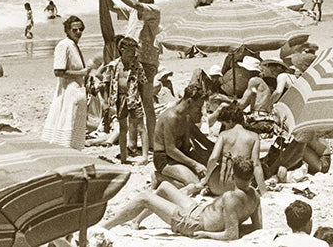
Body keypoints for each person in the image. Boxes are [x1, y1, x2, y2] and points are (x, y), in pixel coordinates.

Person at [101, 154, 261, 240]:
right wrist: (232, 224)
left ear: (232, 175)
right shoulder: (255, 195)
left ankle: (104, 227)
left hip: (193, 223)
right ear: (251, 177)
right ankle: (136, 221)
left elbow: (230, 235)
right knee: (164, 187)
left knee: (145, 197)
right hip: (198, 212)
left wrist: (206, 234)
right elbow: (257, 227)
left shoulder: (230, 198)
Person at [101, 0, 163, 145]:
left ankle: (152, 142)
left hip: (147, 62)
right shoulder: (134, 11)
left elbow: (135, 4)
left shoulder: (153, 10)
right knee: (130, 102)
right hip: (131, 62)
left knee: (147, 104)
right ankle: (133, 142)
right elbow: (112, 7)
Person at [42, 15, 89, 149]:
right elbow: (58, 72)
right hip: (68, 91)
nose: (78, 32)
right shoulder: (64, 45)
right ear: (67, 30)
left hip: (76, 90)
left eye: (81, 29)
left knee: (75, 123)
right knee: (68, 122)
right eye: (75, 30)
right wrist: (81, 73)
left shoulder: (73, 45)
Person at [153, 83, 209, 187]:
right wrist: (195, 164)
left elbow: (203, 140)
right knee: (193, 184)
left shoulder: (186, 117)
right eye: (198, 107)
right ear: (189, 102)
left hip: (181, 154)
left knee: (205, 177)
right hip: (165, 158)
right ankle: (159, 176)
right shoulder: (171, 117)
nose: (200, 111)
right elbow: (170, 150)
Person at [104, 36, 148, 163]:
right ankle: (124, 157)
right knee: (123, 128)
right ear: (121, 50)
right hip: (119, 99)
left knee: (140, 127)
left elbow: (142, 84)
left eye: (134, 51)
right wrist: (106, 102)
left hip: (134, 98)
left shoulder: (137, 66)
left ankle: (145, 157)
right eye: (129, 51)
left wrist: (143, 100)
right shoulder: (113, 66)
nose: (132, 54)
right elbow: (106, 83)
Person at [204, 104, 265, 196]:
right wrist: (264, 191)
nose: (224, 128)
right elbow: (256, 164)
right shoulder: (254, 137)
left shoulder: (224, 135)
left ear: (231, 121)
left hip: (218, 186)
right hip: (240, 187)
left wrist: (205, 180)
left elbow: (213, 158)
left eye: (224, 125)